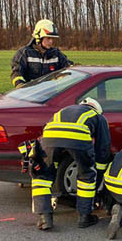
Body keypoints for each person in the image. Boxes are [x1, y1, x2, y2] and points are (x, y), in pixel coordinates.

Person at [31, 98, 111, 230]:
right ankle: (84, 217)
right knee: (86, 176)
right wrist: (99, 172)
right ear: (97, 109)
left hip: (49, 139)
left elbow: (56, 134)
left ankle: (44, 217)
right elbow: (103, 147)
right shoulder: (97, 116)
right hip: (79, 139)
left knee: (42, 177)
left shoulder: (63, 111)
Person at [11, 19, 73, 87]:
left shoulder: (56, 54)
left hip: (51, 94)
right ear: (38, 38)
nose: (51, 41)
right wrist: (21, 86)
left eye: (52, 39)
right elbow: (16, 74)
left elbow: (70, 68)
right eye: (48, 38)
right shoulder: (24, 53)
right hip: (30, 94)